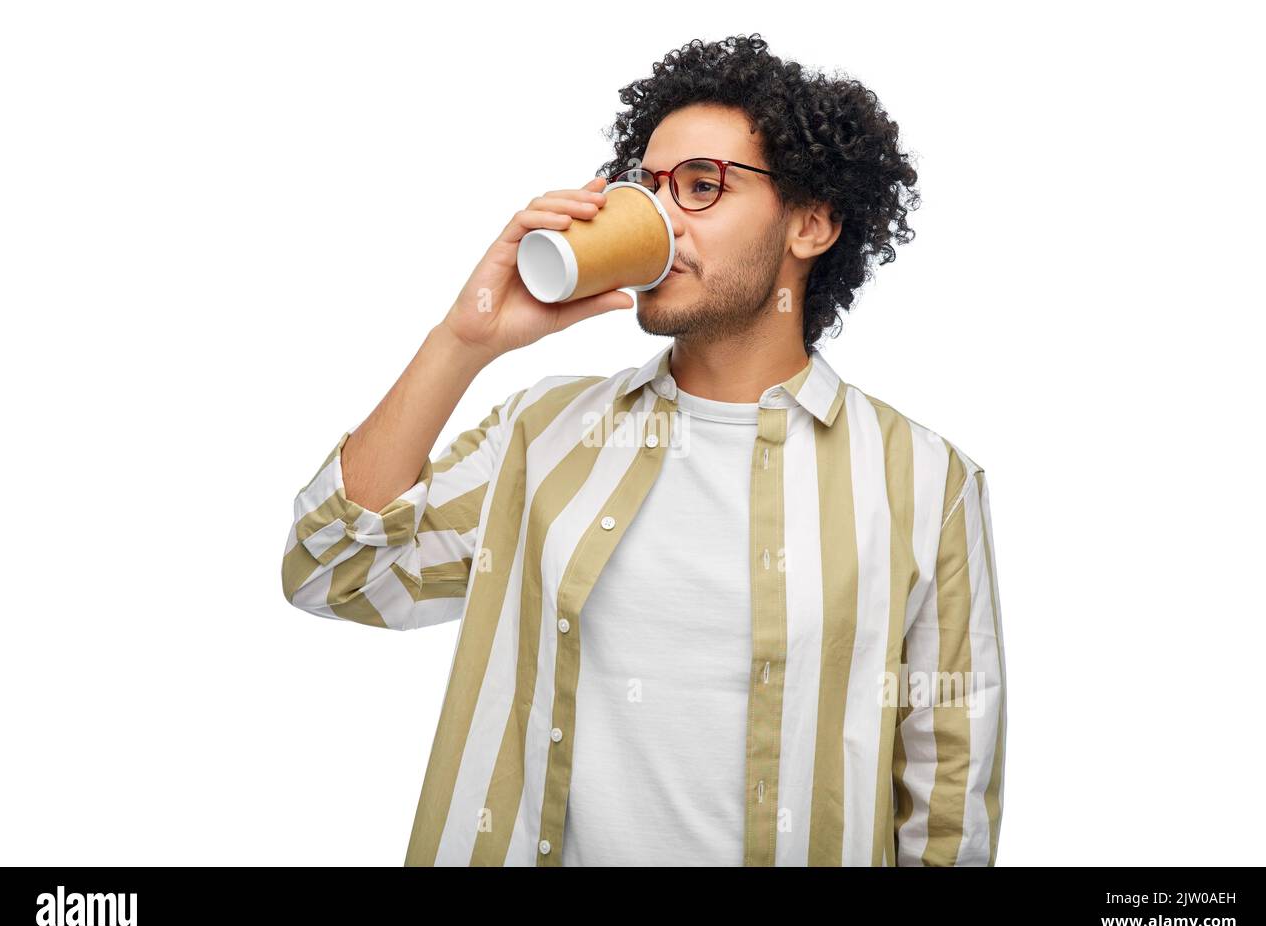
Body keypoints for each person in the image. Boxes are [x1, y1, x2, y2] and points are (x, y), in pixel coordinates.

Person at [281, 34, 1006, 867]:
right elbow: (329, 569)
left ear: (811, 224)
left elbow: (948, 803)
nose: (660, 218)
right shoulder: (542, 436)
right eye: (648, 189)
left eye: (702, 186)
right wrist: (464, 339)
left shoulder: (923, 479)